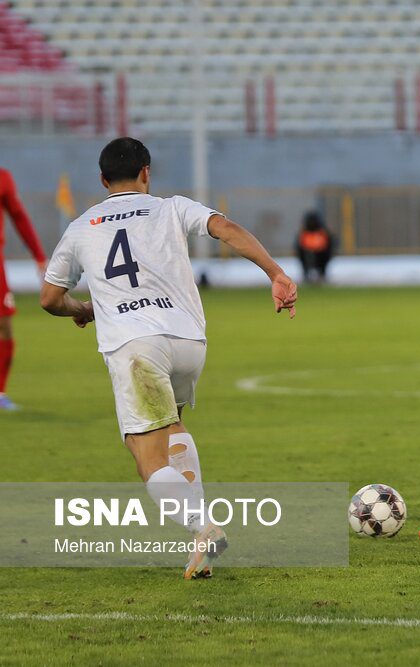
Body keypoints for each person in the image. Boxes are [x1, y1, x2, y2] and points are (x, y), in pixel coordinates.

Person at [40, 137, 298, 579]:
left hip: (136, 348)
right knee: (173, 426)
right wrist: (275, 273)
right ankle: (199, 547)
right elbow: (227, 228)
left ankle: (203, 528)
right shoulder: (172, 207)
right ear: (146, 173)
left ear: (103, 180)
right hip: (188, 343)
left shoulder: (82, 226)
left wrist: (83, 310)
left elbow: (49, 298)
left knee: (147, 456)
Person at [0, 167, 48, 411]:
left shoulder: (3, 178)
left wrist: (38, 255)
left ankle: (0, 392)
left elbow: (19, 216)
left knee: (5, 326)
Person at [296, 211, 336, 284]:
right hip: (307, 255)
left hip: (321, 255)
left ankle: (321, 275)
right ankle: (307, 275)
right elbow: (300, 247)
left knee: (322, 261)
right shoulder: (304, 233)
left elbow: (329, 246)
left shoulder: (323, 232)